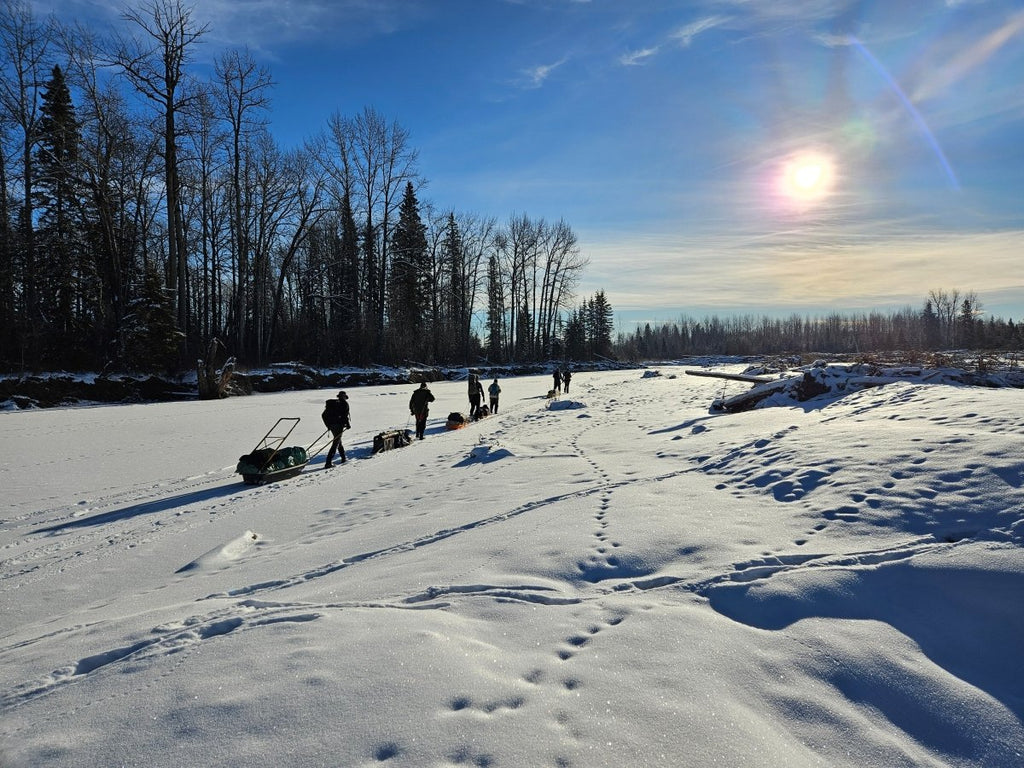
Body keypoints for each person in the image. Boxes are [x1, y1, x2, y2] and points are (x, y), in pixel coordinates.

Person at [322, 391, 351, 468]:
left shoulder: (332, 404)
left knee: (338, 441)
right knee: (336, 442)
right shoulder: (344, 404)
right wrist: (347, 424)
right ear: (344, 397)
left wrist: (328, 425)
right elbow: (345, 416)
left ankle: (343, 458)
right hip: (338, 425)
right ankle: (328, 462)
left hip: (332, 425)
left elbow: (323, 415)